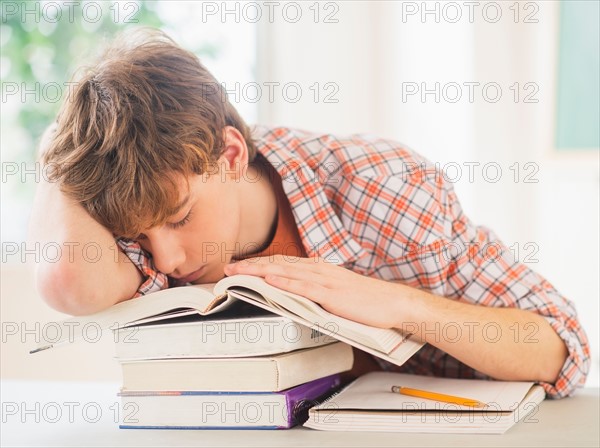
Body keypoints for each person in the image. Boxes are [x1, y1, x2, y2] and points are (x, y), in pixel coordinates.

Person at [29, 29, 589, 399]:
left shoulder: (387, 189)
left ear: (230, 154)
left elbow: (561, 348)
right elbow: (67, 280)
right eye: (142, 238)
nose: (167, 260)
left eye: (179, 218)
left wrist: (395, 305)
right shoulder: (128, 207)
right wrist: (60, 147)